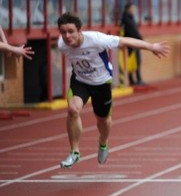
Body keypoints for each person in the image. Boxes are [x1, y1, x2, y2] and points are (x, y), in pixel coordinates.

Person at [56, 12, 169, 168]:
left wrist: (150, 46)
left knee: (103, 120)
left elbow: (124, 41)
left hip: (101, 83)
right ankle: (74, 152)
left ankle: (103, 142)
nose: (67, 36)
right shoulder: (62, 44)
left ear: (79, 31)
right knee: (73, 110)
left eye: (70, 32)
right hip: (80, 81)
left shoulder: (96, 39)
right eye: (63, 32)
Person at [120, 2, 144, 85]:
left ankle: (137, 78)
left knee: (137, 61)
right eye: (132, 8)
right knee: (132, 62)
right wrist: (139, 38)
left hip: (135, 41)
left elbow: (135, 29)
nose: (133, 10)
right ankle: (133, 79)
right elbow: (132, 31)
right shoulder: (126, 19)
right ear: (128, 9)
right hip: (131, 43)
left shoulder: (131, 17)